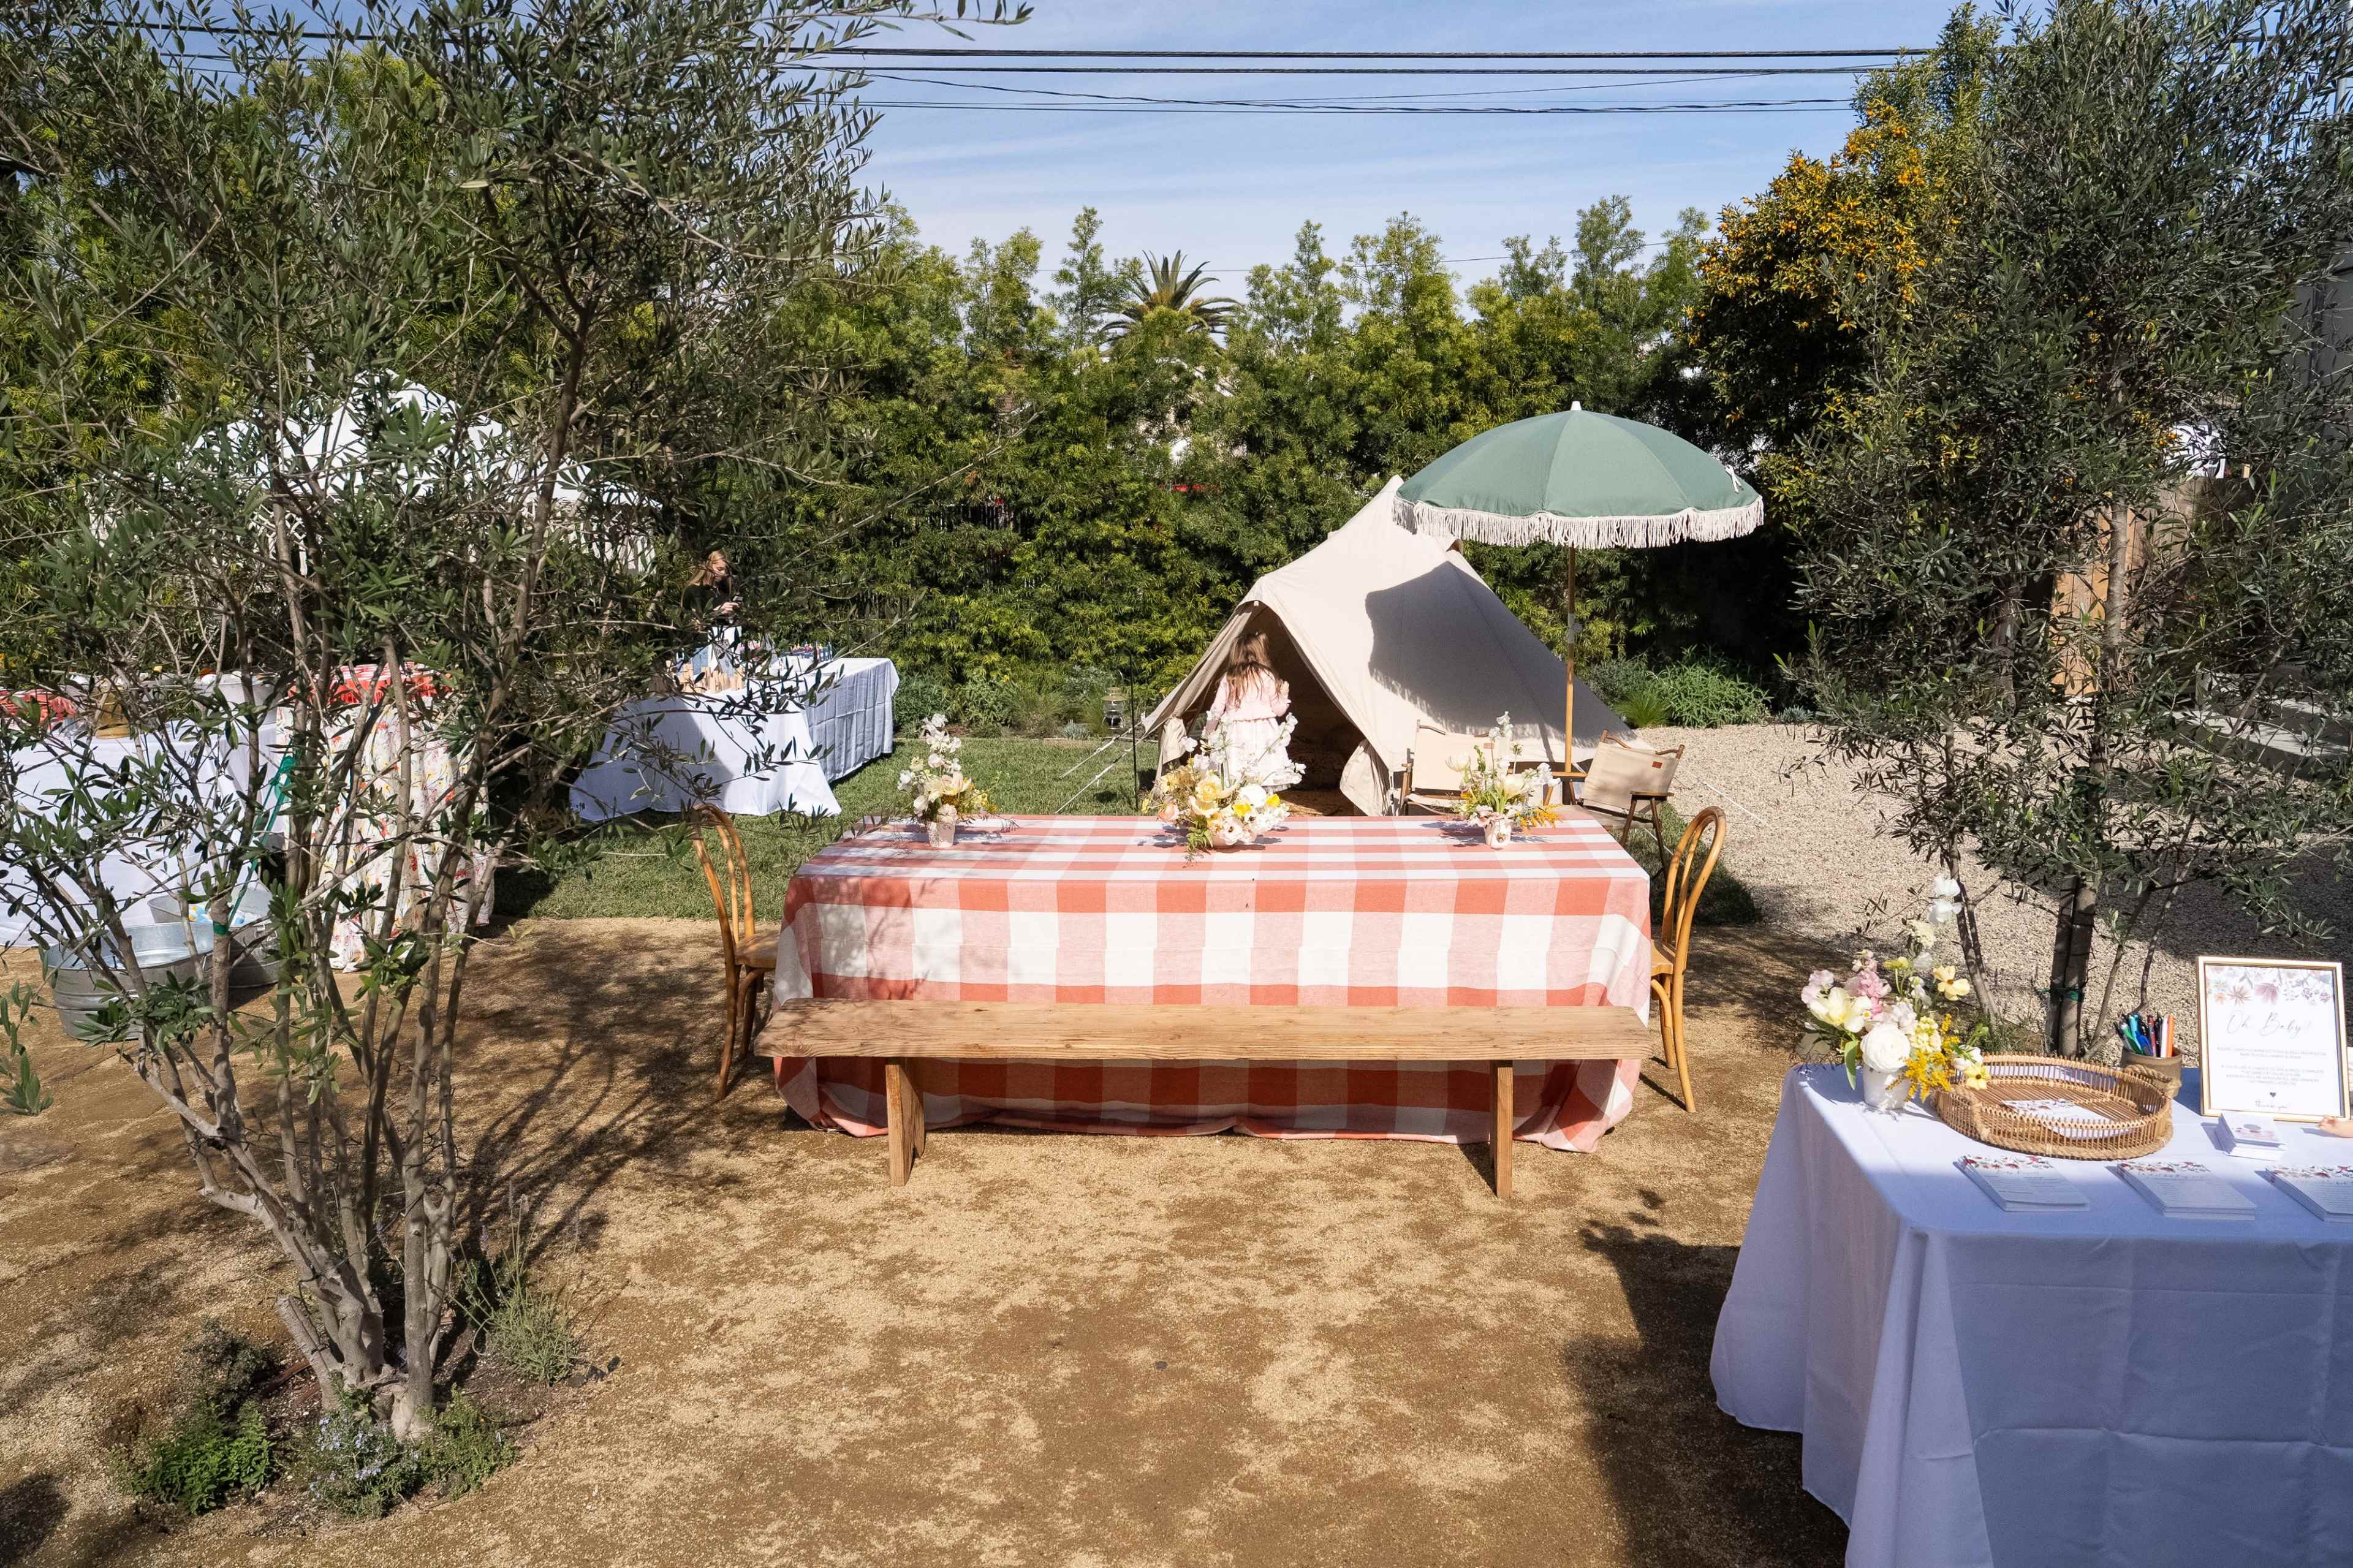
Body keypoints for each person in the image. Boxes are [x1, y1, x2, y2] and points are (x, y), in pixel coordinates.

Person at [1202, 627, 1302, 791]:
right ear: (1259, 652)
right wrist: (1284, 695)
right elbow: (1279, 711)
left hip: (1235, 733)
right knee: (1263, 774)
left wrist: (1209, 733)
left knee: (1235, 776)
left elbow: (1216, 709)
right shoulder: (1267, 676)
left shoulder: (1230, 677)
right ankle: (1261, 809)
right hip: (1264, 733)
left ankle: (1238, 809)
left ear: (1236, 653)